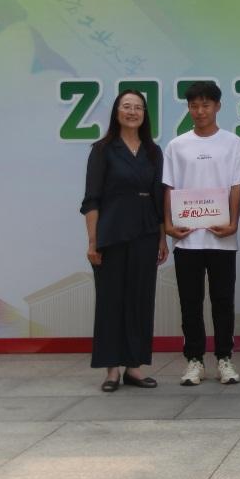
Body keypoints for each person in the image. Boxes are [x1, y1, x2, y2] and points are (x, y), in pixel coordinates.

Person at [163, 80, 240, 386]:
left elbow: (237, 186)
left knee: (223, 301)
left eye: (206, 105)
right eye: (194, 106)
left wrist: (234, 223)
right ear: (188, 108)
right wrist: (168, 225)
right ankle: (194, 360)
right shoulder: (177, 145)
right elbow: (168, 188)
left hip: (222, 238)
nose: (200, 111)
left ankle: (225, 358)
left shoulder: (233, 143)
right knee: (190, 302)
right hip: (187, 238)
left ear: (217, 106)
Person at [81, 90, 168, 392]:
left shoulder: (153, 151)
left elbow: (159, 199)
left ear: (145, 114)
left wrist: (162, 239)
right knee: (110, 301)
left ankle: (134, 366)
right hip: (112, 234)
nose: (132, 112)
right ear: (117, 112)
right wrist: (93, 242)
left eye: (138, 107)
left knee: (140, 300)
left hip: (146, 233)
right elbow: (91, 200)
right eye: (126, 106)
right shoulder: (103, 149)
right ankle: (111, 370)